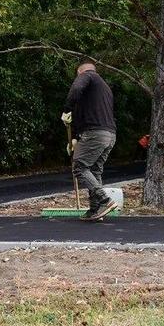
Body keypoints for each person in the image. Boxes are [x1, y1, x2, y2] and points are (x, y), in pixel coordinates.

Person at [62, 62, 118, 221]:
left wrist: (66, 109)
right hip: (109, 134)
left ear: (80, 72)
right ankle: (96, 210)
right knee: (94, 171)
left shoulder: (87, 76)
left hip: (94, 134)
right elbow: (85, 113)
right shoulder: (105, 88)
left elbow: (76, 89)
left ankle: (104, 200)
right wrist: (74, 138)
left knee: (79, 167)